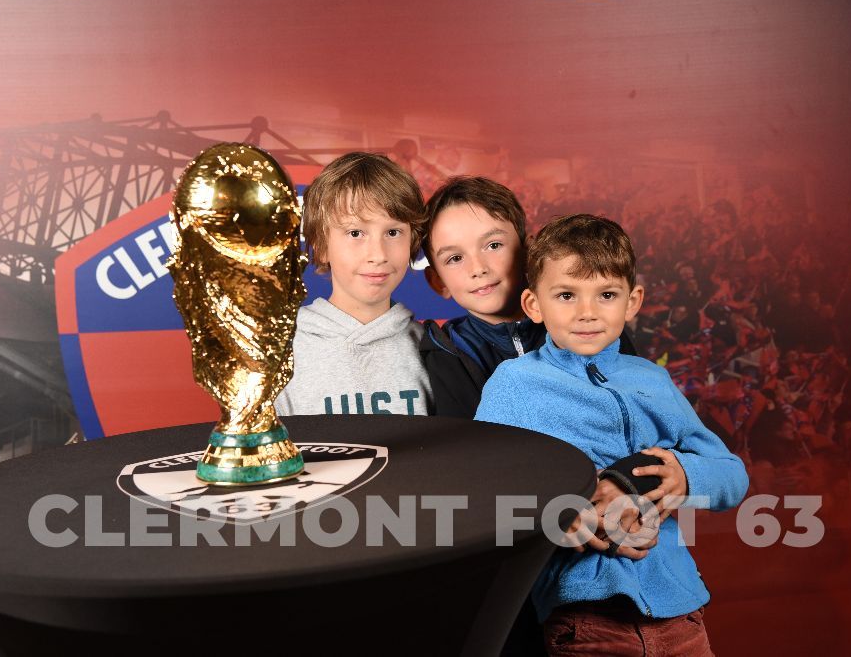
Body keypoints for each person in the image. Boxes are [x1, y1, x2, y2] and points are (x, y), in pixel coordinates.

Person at [475, 214, 749, 656]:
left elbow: (731, 475)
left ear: (633, 301)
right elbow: (484, 490)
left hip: (680, 611)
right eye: (566, 295)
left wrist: (684, 476)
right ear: (534, 305)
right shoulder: (515, 383)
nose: (587, 312)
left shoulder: (652, 379)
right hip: (585, 619)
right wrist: (553, 517)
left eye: (606, 295)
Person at [418, 176, 636, 420]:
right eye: (455, 258)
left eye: (493, 245)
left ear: (528, 251)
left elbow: (643, 414)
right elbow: (466, 450)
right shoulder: (447, 354)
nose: (478, 268)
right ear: (437, 282)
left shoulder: (590, 324)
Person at [275, 152, 432, 416]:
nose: (378, 254)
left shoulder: (430, 348)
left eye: (393, 233)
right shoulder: (283, 351)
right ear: (322, 246)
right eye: (355, 233)